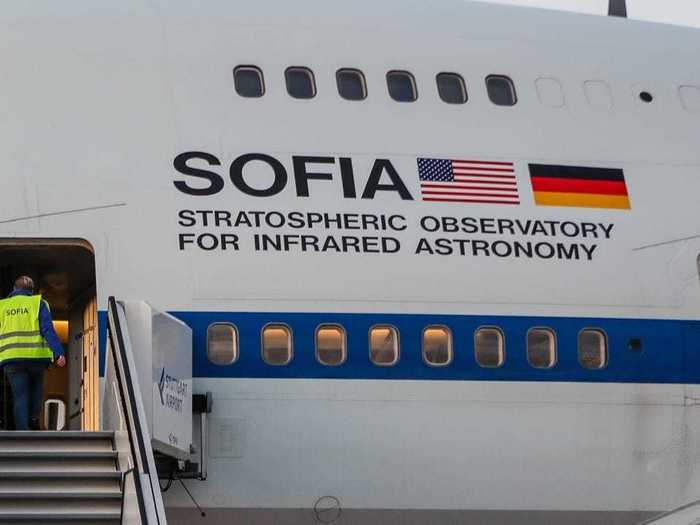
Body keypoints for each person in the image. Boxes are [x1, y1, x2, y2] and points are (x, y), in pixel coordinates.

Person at [0, 276, 65, 430]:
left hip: (12, 359)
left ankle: (22, 433)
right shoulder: (39, 303)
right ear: (31, 291)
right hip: (36, 357)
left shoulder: (2, 306)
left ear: (14, 289)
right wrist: (58, 353)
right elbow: (47, 329)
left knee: (20, 397)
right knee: (36, 392)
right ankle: (34, 418)